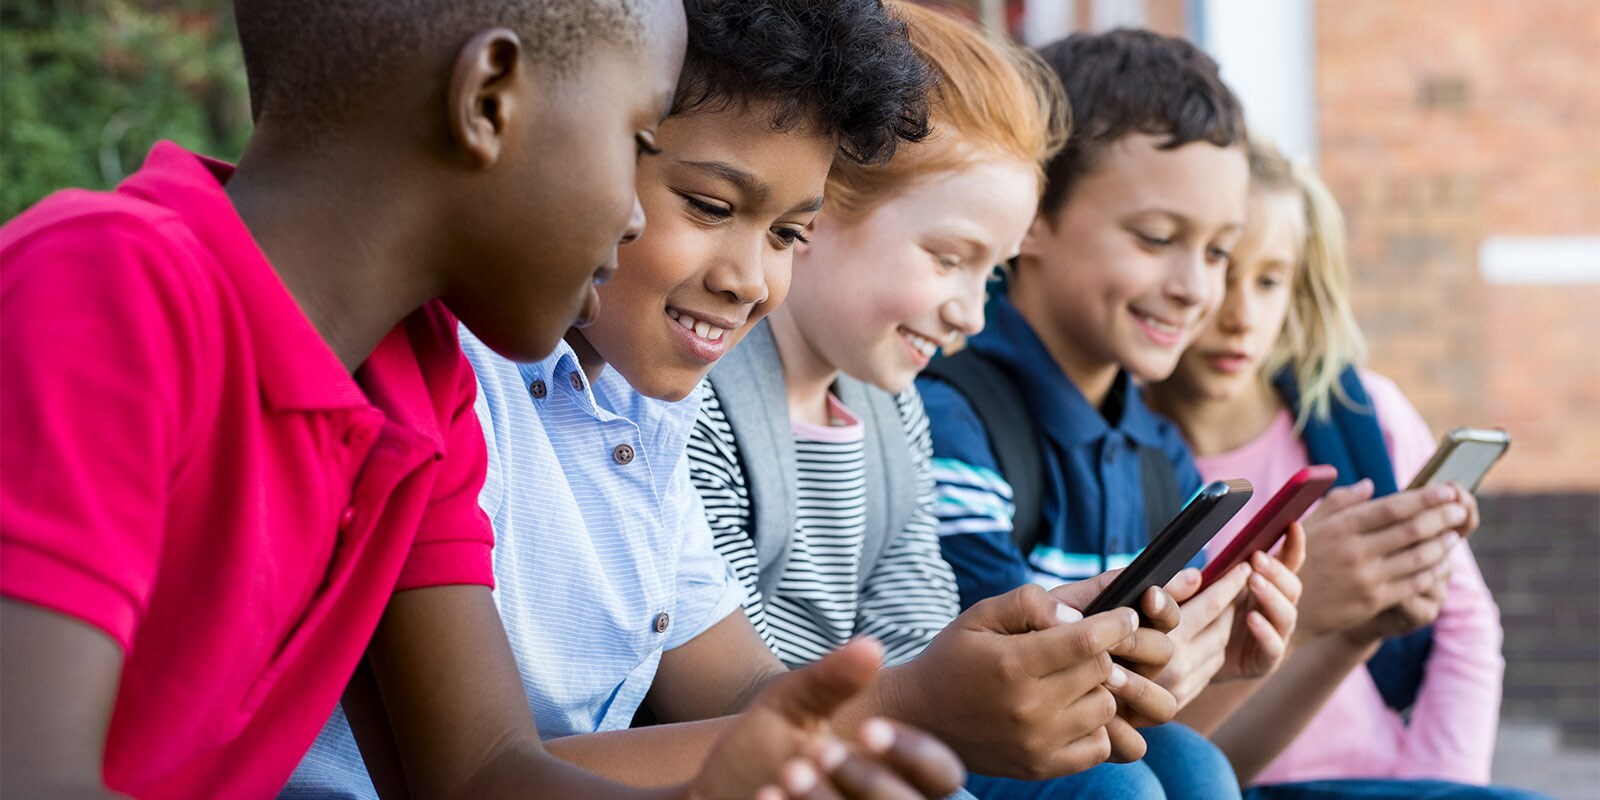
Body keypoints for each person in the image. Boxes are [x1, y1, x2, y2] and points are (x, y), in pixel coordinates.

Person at [0, 1, 961, 797]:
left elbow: (482, 774)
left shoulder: (420, 385)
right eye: (631, 143)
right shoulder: (107, 284)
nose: (630, 212)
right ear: (489, 101)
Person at [688, 8, 1231, 798]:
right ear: (818, 204)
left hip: (869, 729)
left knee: (1182, 763)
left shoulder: (889, 409)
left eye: (991, 273)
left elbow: (914, 629)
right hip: (761, 750)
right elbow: (724, 681)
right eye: (948, 259)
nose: (971, 313)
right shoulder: (709, 399)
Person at [916, 28, 1305, 798]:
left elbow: (1153, 734)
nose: (1198, 288)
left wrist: (1224, 664)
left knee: (1193, 767)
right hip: (948, 751)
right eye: (1158, 238)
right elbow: (1009, 697)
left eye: (1219, 250)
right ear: (1034, 216)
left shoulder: (1161, 453)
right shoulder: (947, 409)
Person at [1147, 137, 1539, 800]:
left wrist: (1440, 788)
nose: (1242, 316)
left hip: (1389, 779)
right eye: (1223, 269)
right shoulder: (1124, 454)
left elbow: (1464, 627)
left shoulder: (1364, 416)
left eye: (1270, 280)